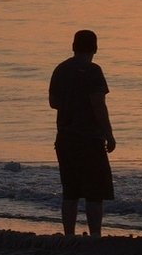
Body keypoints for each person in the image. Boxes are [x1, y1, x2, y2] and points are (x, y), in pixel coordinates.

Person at [48, 29, 115, 237]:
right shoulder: (93, 70)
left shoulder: (60, 69)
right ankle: (95, 236)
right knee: (95, 193)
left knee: (71, 191)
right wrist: (109, 134)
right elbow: (98, 105)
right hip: (89, 139)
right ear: (95, 48)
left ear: (73, 46)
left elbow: (53, 103)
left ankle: (69, 236)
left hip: (65, 138)